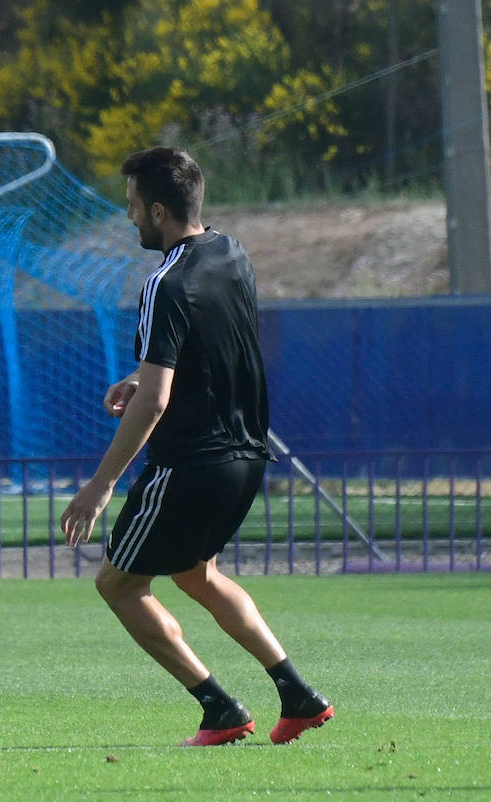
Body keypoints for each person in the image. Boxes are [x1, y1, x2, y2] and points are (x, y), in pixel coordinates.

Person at [59, 146, 332, 747]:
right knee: (197, 575)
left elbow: (155, 405)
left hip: (191, 464)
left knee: (118, 584)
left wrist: (99, 486)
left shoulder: (165, 282)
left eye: (133, 207)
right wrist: (142, 378)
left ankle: (219, 708)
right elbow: (211, 346)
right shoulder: (230, 252)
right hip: (245, 458)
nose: (130, 218)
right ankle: (297, 695)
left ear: (158, 210)